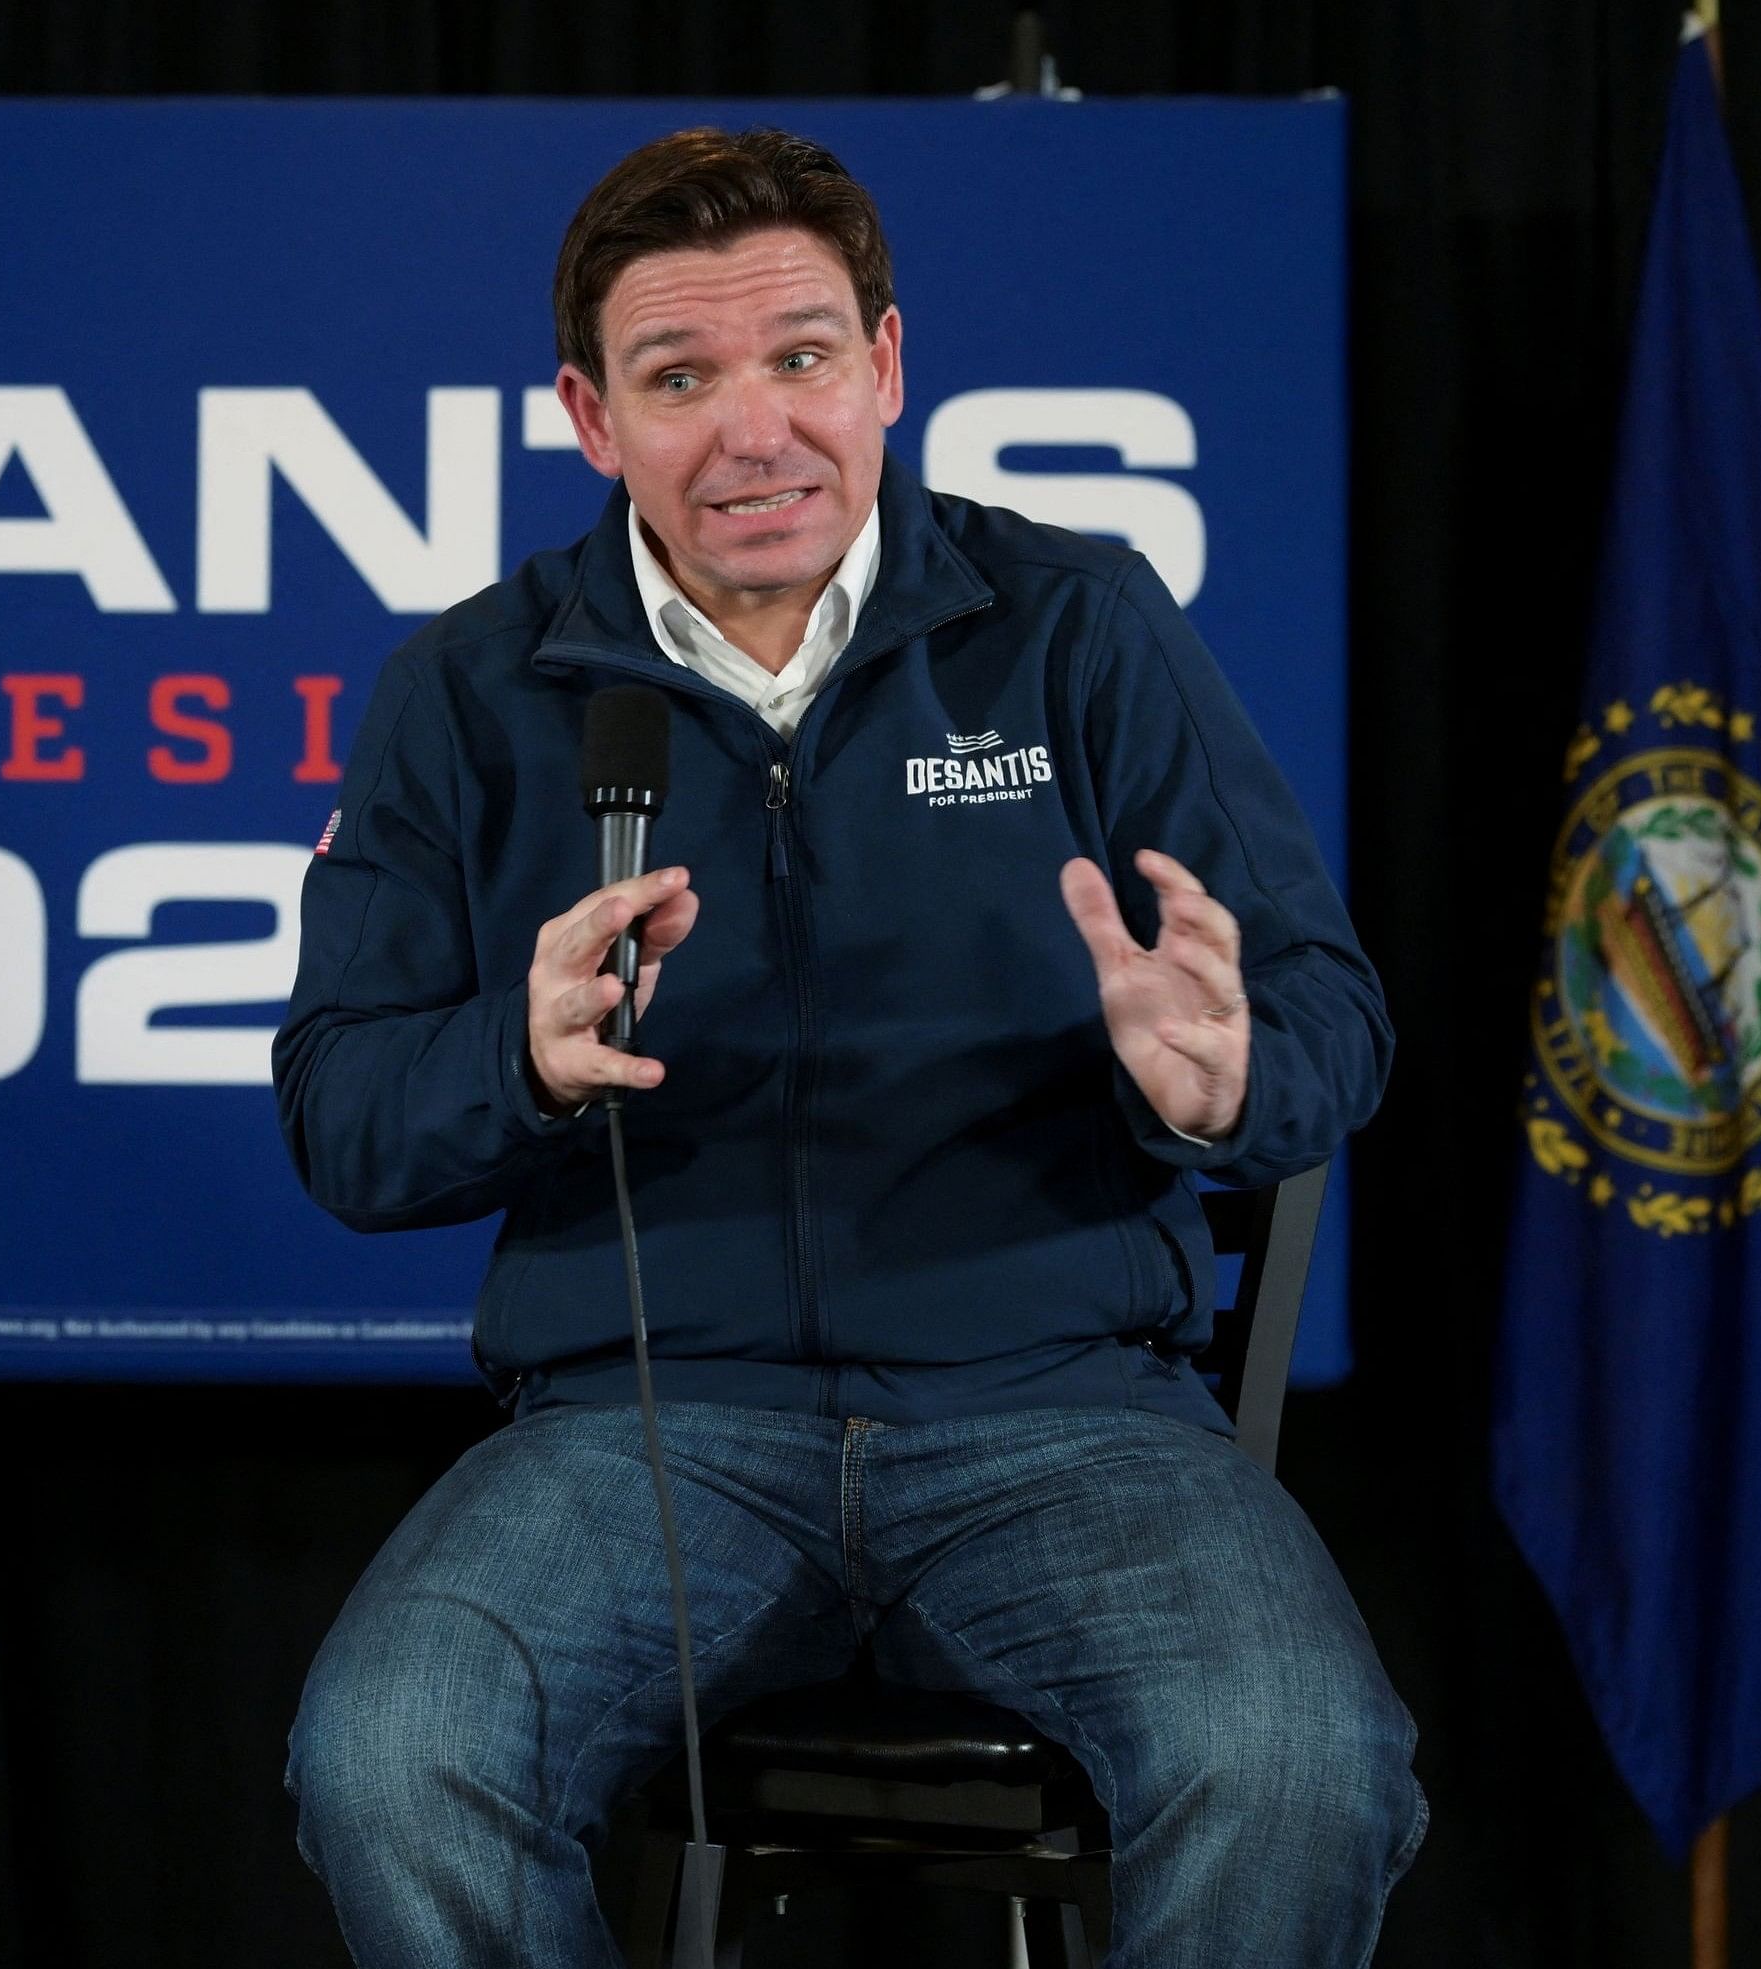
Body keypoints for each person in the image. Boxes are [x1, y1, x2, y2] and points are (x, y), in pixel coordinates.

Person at [273, 127, 1419, 1965]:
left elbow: (1325, 1019)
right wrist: (526, 1057)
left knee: (1297, 1761)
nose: (754, 431)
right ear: (589, 415)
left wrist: (1226, 1079)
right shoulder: (471, 690)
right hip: (644, 1433)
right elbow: (342, 1116)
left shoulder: (1077, 625)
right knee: (396, 1757)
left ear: (885, 365)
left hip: (1063, 1412)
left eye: (802, 359)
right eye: (679, 378)